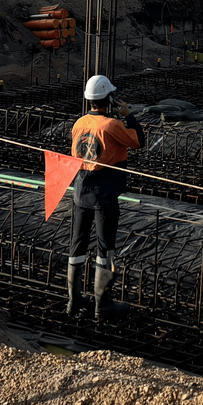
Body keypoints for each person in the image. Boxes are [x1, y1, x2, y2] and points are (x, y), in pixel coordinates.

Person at [67, 75, 146, 320]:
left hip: (81, 190)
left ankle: (74, 299)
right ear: (108, 99)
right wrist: (128, 115)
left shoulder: (79, 123)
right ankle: (103, 304)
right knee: (105, 246)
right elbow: (138, 141)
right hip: (104, 193)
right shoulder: (111, 125)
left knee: (77, 243)